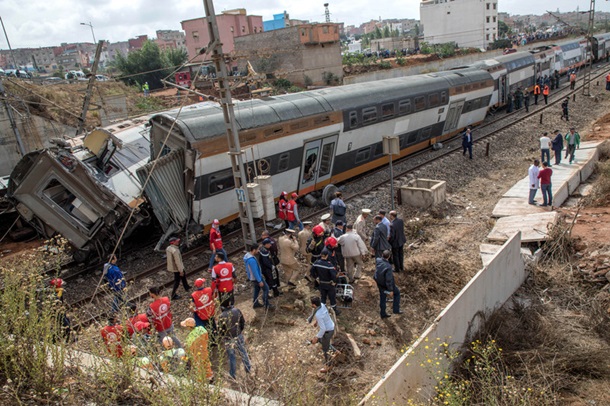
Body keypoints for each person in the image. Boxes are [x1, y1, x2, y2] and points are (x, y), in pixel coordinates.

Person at [217, 305, 251, 380]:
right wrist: (239, 331)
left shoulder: (222, 316)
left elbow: (220, 330)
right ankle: (248, 368)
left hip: (228, 338)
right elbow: (242, 322)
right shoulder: (237, 310)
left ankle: (232, 374)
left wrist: (224, 336)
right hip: (238, 335)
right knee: (243, 351)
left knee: (232, 356)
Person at [308, 296, 336, 373]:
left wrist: (316, 337)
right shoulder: (322, 305)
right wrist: (317, 322)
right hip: (331, 326)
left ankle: (328, 366)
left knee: (325, 349)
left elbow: (323, 329)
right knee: (323, 341)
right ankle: (336, 351)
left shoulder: (318, 315)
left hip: (327, 331)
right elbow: (324, 316)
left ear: (314, 305)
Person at [180, 317, 213, 382]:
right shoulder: (202, 329)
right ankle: (211, 379)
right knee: (207, 365)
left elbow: (188, 351)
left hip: (197, 357)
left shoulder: (189, 338)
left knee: (199, 370)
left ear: (189, 327)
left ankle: (201, 383)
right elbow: (207, 339)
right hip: (204, 352)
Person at [310, 249, 340, 315]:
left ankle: (322, 310)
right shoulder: (329, 265)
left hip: (321, 283)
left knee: (323, 297)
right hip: (329, 284)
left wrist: (316, 277)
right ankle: (334, 311)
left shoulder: (316, 263)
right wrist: (334, 281)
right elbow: (334, 275)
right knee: (332, 297)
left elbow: (312, 271)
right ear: (326, 256)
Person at [374, 250, 402, 319]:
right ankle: (396, 310)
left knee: (382, 297)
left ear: (382, 255)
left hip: (379, 284)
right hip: (385, 286)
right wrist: (390, 290)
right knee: (397, 293)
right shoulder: (388, 267)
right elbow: (388, 280)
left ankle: (382, 313)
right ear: (389, 257)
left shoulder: (378, 260)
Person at [244, 245, 273, 310]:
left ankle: (255, 303)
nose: (258, 251)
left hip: (252, 277)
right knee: (266, 289)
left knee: (257, 290)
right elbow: (255, 271)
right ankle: (266, 304)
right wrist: (259, 280)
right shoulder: (252, 260)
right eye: (257, 249)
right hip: (256, 278)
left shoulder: (247, 256)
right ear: (254, 250)